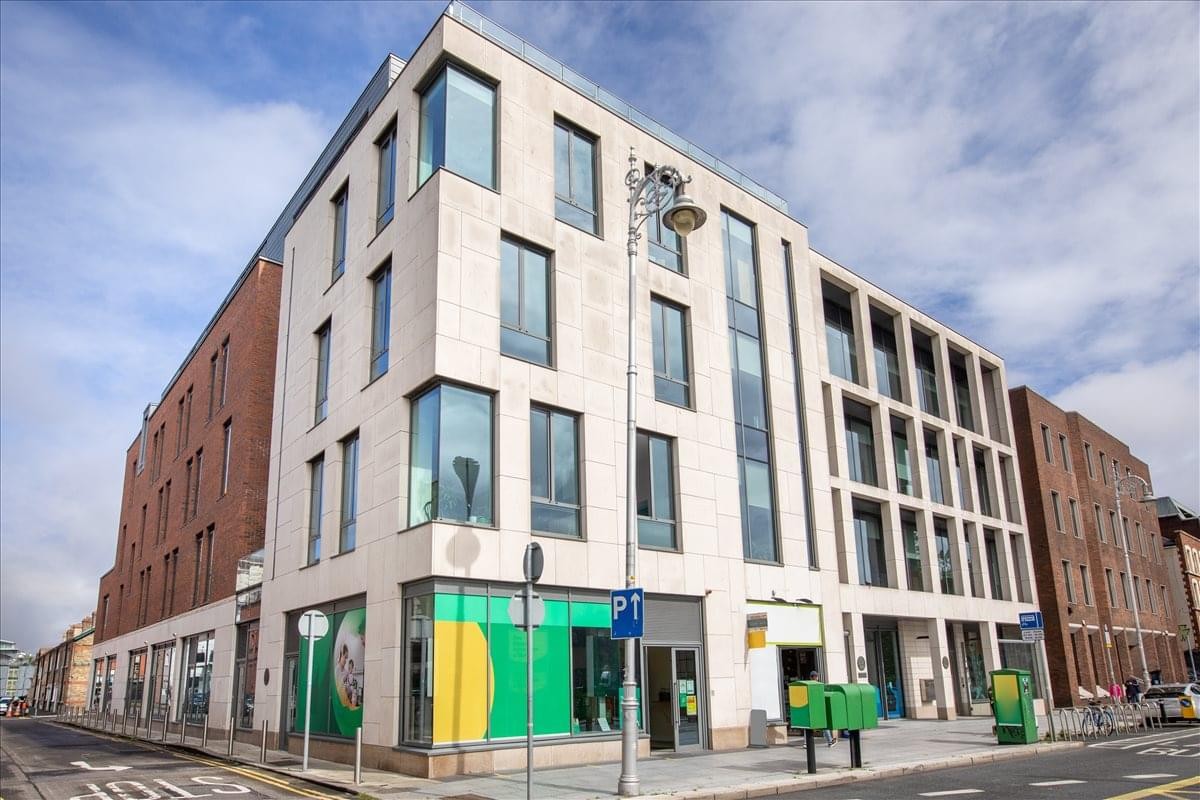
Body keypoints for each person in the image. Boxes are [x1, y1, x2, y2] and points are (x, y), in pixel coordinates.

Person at [809, 670, 837, 746]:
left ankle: (806, 743)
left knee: (809, 726)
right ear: (816, 677)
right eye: (816, 676)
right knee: (824, 725)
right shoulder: (819, 685)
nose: (816, 678)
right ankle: (830, 741)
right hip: (819, 708)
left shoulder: (808, 686)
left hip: (812, 708)